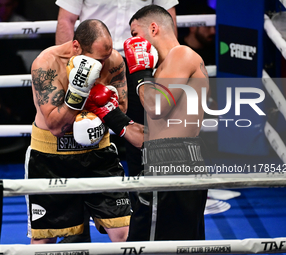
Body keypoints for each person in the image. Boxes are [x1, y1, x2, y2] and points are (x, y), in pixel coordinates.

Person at [54, 1, 179, 242]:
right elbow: (66, 19)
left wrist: (162, 70)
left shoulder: (179, 58)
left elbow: (167, 19)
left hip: (140, 67)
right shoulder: (52, 60)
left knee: (140, 144)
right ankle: (76, 229)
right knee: (80, 135)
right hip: (90, 61)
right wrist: (71, 68)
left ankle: (140, 215)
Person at [84, 5, 209, 241]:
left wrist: (139, 72)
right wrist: (107, 111)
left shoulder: (181, 55)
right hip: (171, 161)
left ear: (153, 28)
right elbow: (152, 138)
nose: (132, 42)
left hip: (172, 169)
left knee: (143, 246)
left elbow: (157, 107)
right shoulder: (162, 69)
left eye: (134, 34)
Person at [26, 19, 130, 244]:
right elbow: (55, 126)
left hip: (99, 154)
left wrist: (99, 105)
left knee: (122, 233)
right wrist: (79, 92)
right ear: (76, 47)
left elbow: (122, 107)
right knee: (45, 240)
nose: (102, 65)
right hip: (52, 158)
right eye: (97, 60)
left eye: (106, 57)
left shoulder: (113, 61)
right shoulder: (46, 63)